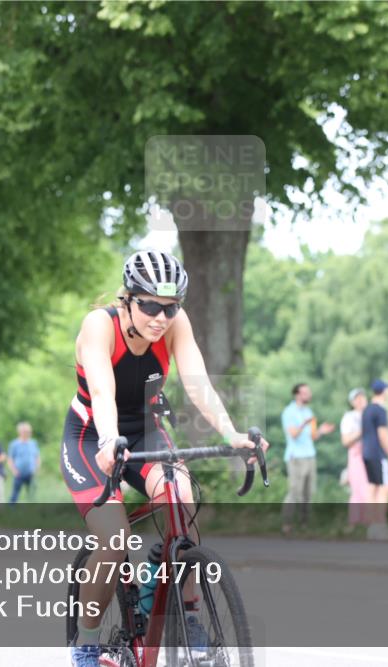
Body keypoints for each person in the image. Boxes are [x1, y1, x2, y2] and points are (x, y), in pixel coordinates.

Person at [63, 250, 268, 667]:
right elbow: (102, 392)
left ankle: (185, 608)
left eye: (171, 307)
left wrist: (231, 434)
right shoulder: (99, 326)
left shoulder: (175, 325)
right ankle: (86, 643)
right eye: (150, 305)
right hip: (91, 435)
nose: (160, 317)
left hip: (146, 429)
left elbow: (199, 386)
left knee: (182, 501)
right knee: (115, 539)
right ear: (128, 299)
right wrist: (107, 441)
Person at [280, 383, 335, 535]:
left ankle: (304, 524)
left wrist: (322, 431)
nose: (309, 395)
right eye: (306, 392)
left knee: (308, 493)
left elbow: (313, 436)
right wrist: (304, 423)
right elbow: (293, 434)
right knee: (294, 491)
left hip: (310, 456)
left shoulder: (309, 411)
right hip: (296, 457)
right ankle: (287, 524)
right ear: (297, 394)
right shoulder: (288, 412)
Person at [361, 379, 388, 540]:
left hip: (367, 452)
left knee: (373, 488)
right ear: (383, 391)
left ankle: (372, 526)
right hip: (378, 453)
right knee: (384, 488)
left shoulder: (366, 409)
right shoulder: (380, 410)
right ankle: (380, 525)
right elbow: (383, 435)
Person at [340, 388, 370, 532]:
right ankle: (354, 523)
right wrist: (361, 431)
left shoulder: (370, 414)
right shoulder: (349, 417)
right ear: (352, 402)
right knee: (359, 490)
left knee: (370, 489)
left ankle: (366, 523)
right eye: (357, 398)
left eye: (362, 397)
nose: (361, 400)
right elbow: (346, 441)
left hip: (370, 455)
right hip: (357, 456)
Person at [7, 421, 40, 504]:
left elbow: (37, 457)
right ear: (20, 432)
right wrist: (14, 471)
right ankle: (11, 509)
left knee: (32, 494)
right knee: (15, 494)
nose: (28, 433)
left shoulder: (33, 443)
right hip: (19, 473)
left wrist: (36, 468)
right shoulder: (14, 444)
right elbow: (10, 459)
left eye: (29, 431)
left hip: (31, 473)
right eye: (26, 431)